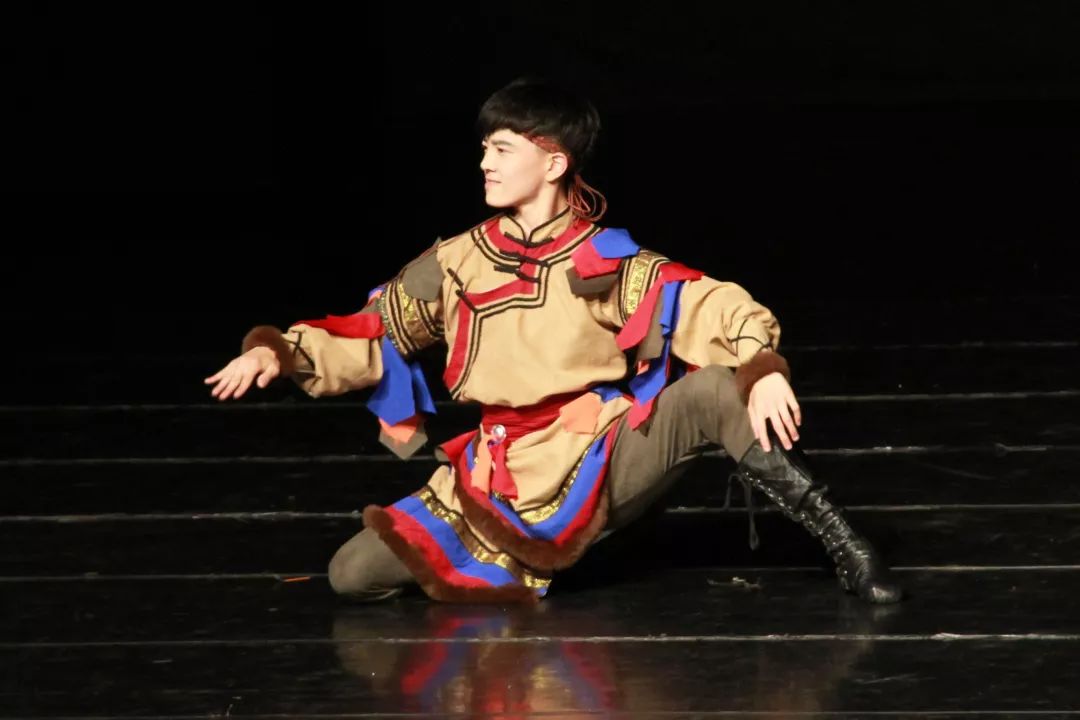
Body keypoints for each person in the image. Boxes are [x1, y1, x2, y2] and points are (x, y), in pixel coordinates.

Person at [204, 77, 902, 605]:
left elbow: (702, 301)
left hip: (592, 452)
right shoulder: (456, 261)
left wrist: (762, 363)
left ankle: (847, 547)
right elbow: (375, 328)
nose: (485, 162)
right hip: (497, 469)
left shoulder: (604, 260)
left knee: (716, 389)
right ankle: (551, 554)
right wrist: (280, 350)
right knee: (352, 575)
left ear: (554, 162)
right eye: (485, 148)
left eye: (502, 148)